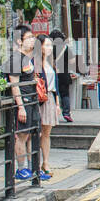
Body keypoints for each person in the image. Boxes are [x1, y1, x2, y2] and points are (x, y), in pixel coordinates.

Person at [8, 28, 42, 179]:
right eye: (28, 38)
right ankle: (21, 169)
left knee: (33, 134)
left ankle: (33, 168)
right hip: (24, 102)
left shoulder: (27, 58)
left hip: (33, 101)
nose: (32, 40)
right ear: (19, 41)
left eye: (32, 37)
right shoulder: (16, 59)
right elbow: (14, 85)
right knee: (21, 135)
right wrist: (20, 107)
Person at [37, 35, 59, 180]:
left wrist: (58, 103)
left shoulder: (50, 63)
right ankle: (36, 163)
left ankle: (45, 162)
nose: (49, 48)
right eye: (46, 45)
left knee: (46, 132)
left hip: (50, 98)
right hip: (40, 100)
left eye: (51, 45)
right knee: (37, 133)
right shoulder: (35, 63)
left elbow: (55, 85)